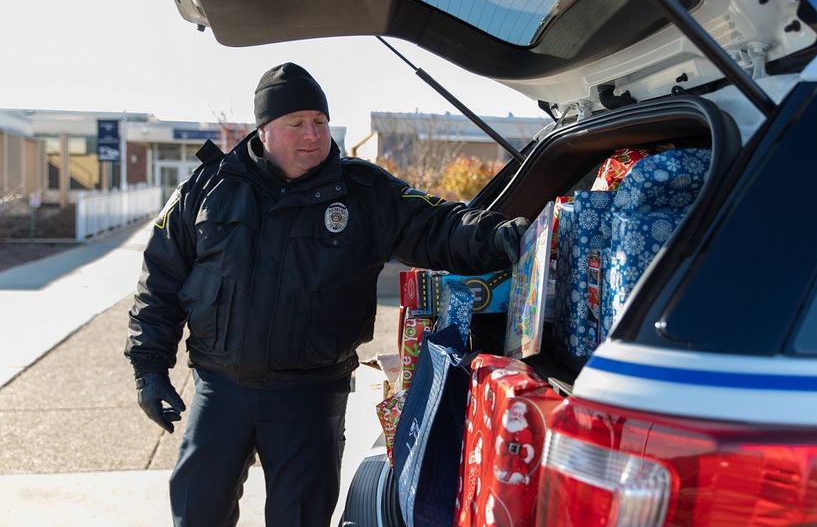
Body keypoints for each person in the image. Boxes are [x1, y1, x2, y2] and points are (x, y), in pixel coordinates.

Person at [125, 62, 528, 527]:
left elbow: (437, 225)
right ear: (265, 129)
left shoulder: (364, 192)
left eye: (318, 121)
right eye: (296, 124)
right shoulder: (208, 189)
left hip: (310, 398)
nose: (312, 134)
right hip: (222, 391)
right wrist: (149, 369)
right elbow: (159, 282)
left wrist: (497, 238)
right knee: (198, 514)